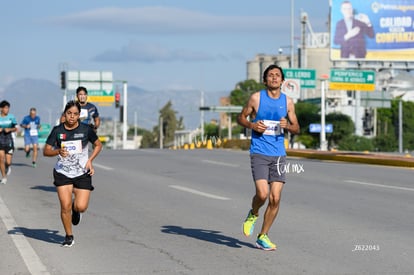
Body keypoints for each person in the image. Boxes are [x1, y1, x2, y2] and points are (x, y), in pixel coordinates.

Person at [237, 64, 300, 251]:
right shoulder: (256, 98)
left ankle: (263, 236)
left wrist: (287, 126)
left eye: (277, 75)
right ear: (265, 80)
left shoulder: (288, 102)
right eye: (270, 75)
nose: (274, 78)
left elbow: (296, 127)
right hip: (259, 152)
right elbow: (241, 117)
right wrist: (252, 125)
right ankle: (253, 213)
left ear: (282, 81)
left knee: (275, 198)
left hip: (279, 154)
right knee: (263, 194)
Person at [44, 100, 102, 247]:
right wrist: (58, 151)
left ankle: (77, 212)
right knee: (65, 206)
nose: (72, 117)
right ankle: (69, 236)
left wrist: (90, 160)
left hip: (82, 172)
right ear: (65, 114)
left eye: (75, 114)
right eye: (69, 113)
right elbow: (46, 151)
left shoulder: (86, 129)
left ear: (79, 116)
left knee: (81, 206)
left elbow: (98, 145)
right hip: (62, 172)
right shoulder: (58, 131)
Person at [0, 100, 18, 184]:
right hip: (0, 139)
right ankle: (4, 177)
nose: (7, 110)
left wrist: (10, 129)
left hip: (9, 139)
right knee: (1, 159)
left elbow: (16, 128)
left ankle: (8, 167)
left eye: (8, 108)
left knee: (8, 161)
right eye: (6, 108)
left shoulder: (11, 117)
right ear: (1, 109)